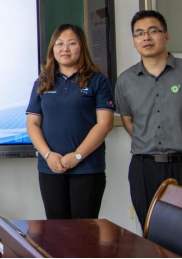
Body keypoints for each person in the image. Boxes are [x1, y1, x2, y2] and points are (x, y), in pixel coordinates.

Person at [115, 10, 182, 229]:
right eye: (139, 33)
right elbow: (128, 121)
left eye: (153, 31)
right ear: (134, 41)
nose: (146, 37)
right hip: (145, 168)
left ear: (166, 36)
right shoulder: (125, 80)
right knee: (151, 233)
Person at [26, 24, 115, 219]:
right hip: (51, 168)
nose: (65, 49)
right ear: (53, 48)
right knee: (56, 230)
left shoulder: (98, 81)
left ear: (81, 47)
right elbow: (32, 123)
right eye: (59, 43)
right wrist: (48, 155)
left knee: (84, 231)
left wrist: (76, 156)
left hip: (87, 168)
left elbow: (105, 124)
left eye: (72, 43)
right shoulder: (42, 82)